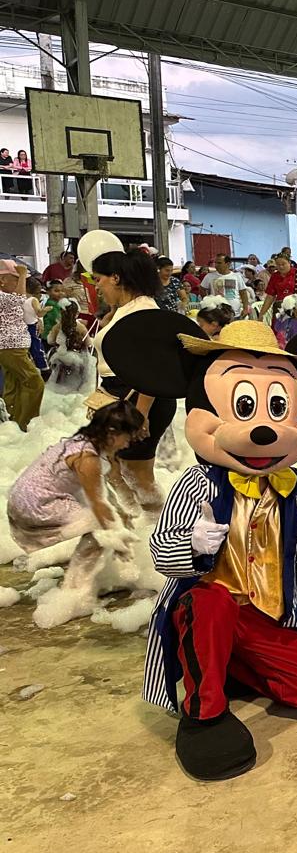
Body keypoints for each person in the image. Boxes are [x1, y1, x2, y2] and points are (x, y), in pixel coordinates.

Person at [102, 311, 297, 781]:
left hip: (267, 616)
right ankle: (203, 713)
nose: (264, 430)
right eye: (244, 406)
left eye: (279, 407)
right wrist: (192, 546)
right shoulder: (198, 483)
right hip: (212, 608)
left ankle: (225, 663)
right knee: (208, 603)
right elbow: (162, 553)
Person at [8, 401, 145, 625]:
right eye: (127, 436)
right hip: (35, 506)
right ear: (112, 433)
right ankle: (75, 591)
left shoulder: (82, 442)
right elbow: (98, 504)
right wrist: (120, 540)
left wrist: (121, 516)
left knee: (105, 523)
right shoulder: (88, 458)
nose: (129, 442)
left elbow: (99, 491)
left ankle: (89, 579)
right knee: (101, 528)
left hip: (23, 498)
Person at [85, 232, 172, 510]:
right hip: (119, 394)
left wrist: (141, 414)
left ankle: (161, 525)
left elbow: (154, 365)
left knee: (139, 475)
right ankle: (137, 522)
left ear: (115, 278)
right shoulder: (126, 309)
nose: (96, 286)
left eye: (98, 279)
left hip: (138, 397)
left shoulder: (141, 310)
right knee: (114, 470)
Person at [0, 260, 45, 430]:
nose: (21, 285)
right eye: (17, 279)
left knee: (14, 385)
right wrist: (23, 273)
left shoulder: (7, 297)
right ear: (3, 280)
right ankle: (26, 423)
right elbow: (19, 299)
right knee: (34, 382)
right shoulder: (4, 297)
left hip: (13, 347)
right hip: (11, 348)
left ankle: (12, 423)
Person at [45, 303, 93, 394]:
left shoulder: (57, 327)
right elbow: (88, 344)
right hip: (77, 359)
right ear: (77, 313)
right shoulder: (81, 327)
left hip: (59, 356)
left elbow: (50, 341)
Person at [261, 252, 297, 329]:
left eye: (283, 264)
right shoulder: (275, 276)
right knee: (280, 334)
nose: (281, 267)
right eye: (278, 265)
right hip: (280, 309)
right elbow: (270, 296)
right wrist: (262, 313)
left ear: (289, 263)